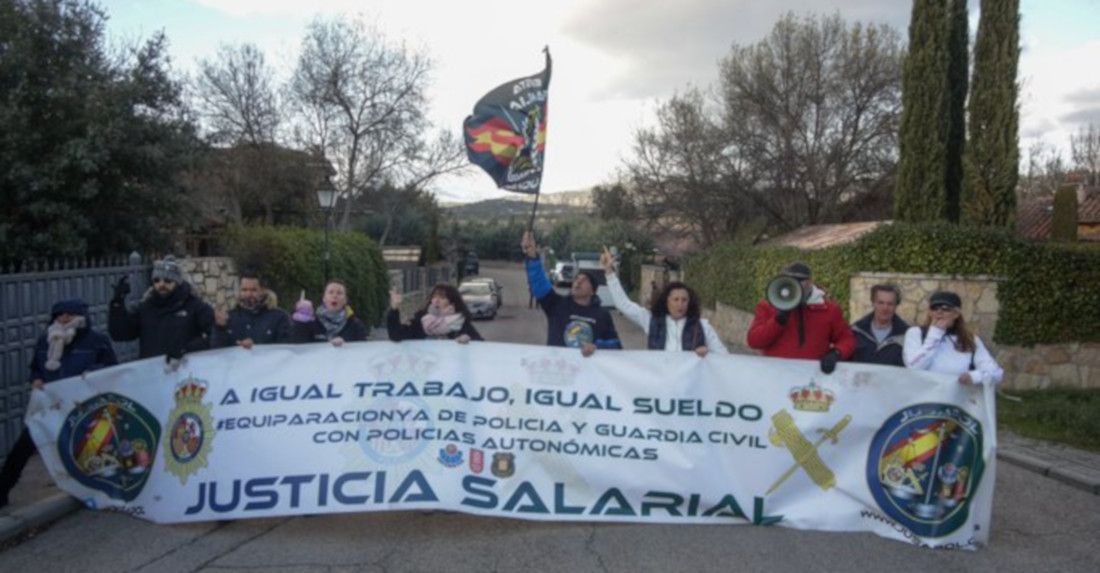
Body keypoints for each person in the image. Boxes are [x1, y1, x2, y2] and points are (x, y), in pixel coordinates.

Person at [1, 299, 117, 508]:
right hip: (50, 405)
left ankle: (102, 486)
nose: (64, 318)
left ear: (81, 316)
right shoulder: (46, 340)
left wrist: (92, 373)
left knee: (91, 448)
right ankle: (2, 489)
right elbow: (35, 367)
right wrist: (36, 379)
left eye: (70, 314)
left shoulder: (97, 340)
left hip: (82, 407)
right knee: (24, 446)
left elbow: (111, 368)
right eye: (60, 314)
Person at [599, 246, 727, 356]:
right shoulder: (651, 321)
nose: (680, 304)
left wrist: (708, 354)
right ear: (667, 301)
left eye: (684, 300)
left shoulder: (702, 326)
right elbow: (623, 305)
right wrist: (609, 273)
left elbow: (725, 357)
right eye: (675, 299)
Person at [521, 231, 621, 356]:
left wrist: (598, 346)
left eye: (584, 280)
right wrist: (532, 256)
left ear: (592, 291)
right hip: (558, 366)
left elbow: (616, 345)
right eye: (576, 279)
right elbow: (539, 284)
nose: (578, 282)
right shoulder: (556, 304)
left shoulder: (602, 315)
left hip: (587, 368)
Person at [746, 261, 855, 373]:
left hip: (812, 377)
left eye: (799, 280)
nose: (794, 285)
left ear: (809, 282)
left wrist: (836, 353)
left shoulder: (829, 310)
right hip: (776, 375)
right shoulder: (768, 307)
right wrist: (777, 322)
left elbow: (847, 339)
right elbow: (754, 341)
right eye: (789, 280)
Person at [108, 255, 215, 363]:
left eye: (168, 280)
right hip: (151, 370)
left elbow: (215, 334)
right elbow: (120, 334)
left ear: (177, 282)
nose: (161, 284)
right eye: (157, 280)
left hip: (184, 369)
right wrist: (117, 303)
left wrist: (187, 349)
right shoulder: (146, 307)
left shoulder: (194, 305)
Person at [903, 290, 1003, 385]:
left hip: (956, 396)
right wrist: (935, 333)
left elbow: (995, 372)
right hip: (923, 395)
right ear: (929, 312)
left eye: (945, 308)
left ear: (956, 314)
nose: (939, 312)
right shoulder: (916, 333)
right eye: (934, 308)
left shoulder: (970, 339)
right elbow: (913, 368)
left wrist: (974, 377)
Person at [211, 271, 291, 349]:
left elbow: (286, 350)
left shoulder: (279, 318)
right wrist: (220, 328)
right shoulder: (228, 318)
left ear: (263, 291)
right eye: (244, 290)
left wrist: (255, 346)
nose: (248, 294)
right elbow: (217, 352)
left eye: (253, 290)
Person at [387, 284, 483, 343]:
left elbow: (481, 346)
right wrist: (394, 308)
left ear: (452, 303)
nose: (436, 300)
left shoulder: (461, 323)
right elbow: (396, 335)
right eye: (434, 297)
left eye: (442, 298)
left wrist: (468, 341)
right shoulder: (421, 320)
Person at [291, 280, 369, 346]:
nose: (335, 296)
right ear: (324, 299)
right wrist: (300, 324)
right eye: (331, 292)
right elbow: (298, 347)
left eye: (339, 293)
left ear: (345, 300)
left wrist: (346, 345)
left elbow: (363, 350)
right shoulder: (312, 322)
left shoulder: (355, 325)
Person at [850, 284, 909, 366]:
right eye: (881, 303)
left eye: (890, 304)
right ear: (873, 303)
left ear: (896, 306)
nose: (885, 308)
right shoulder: (856, 331)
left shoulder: (906, 335)